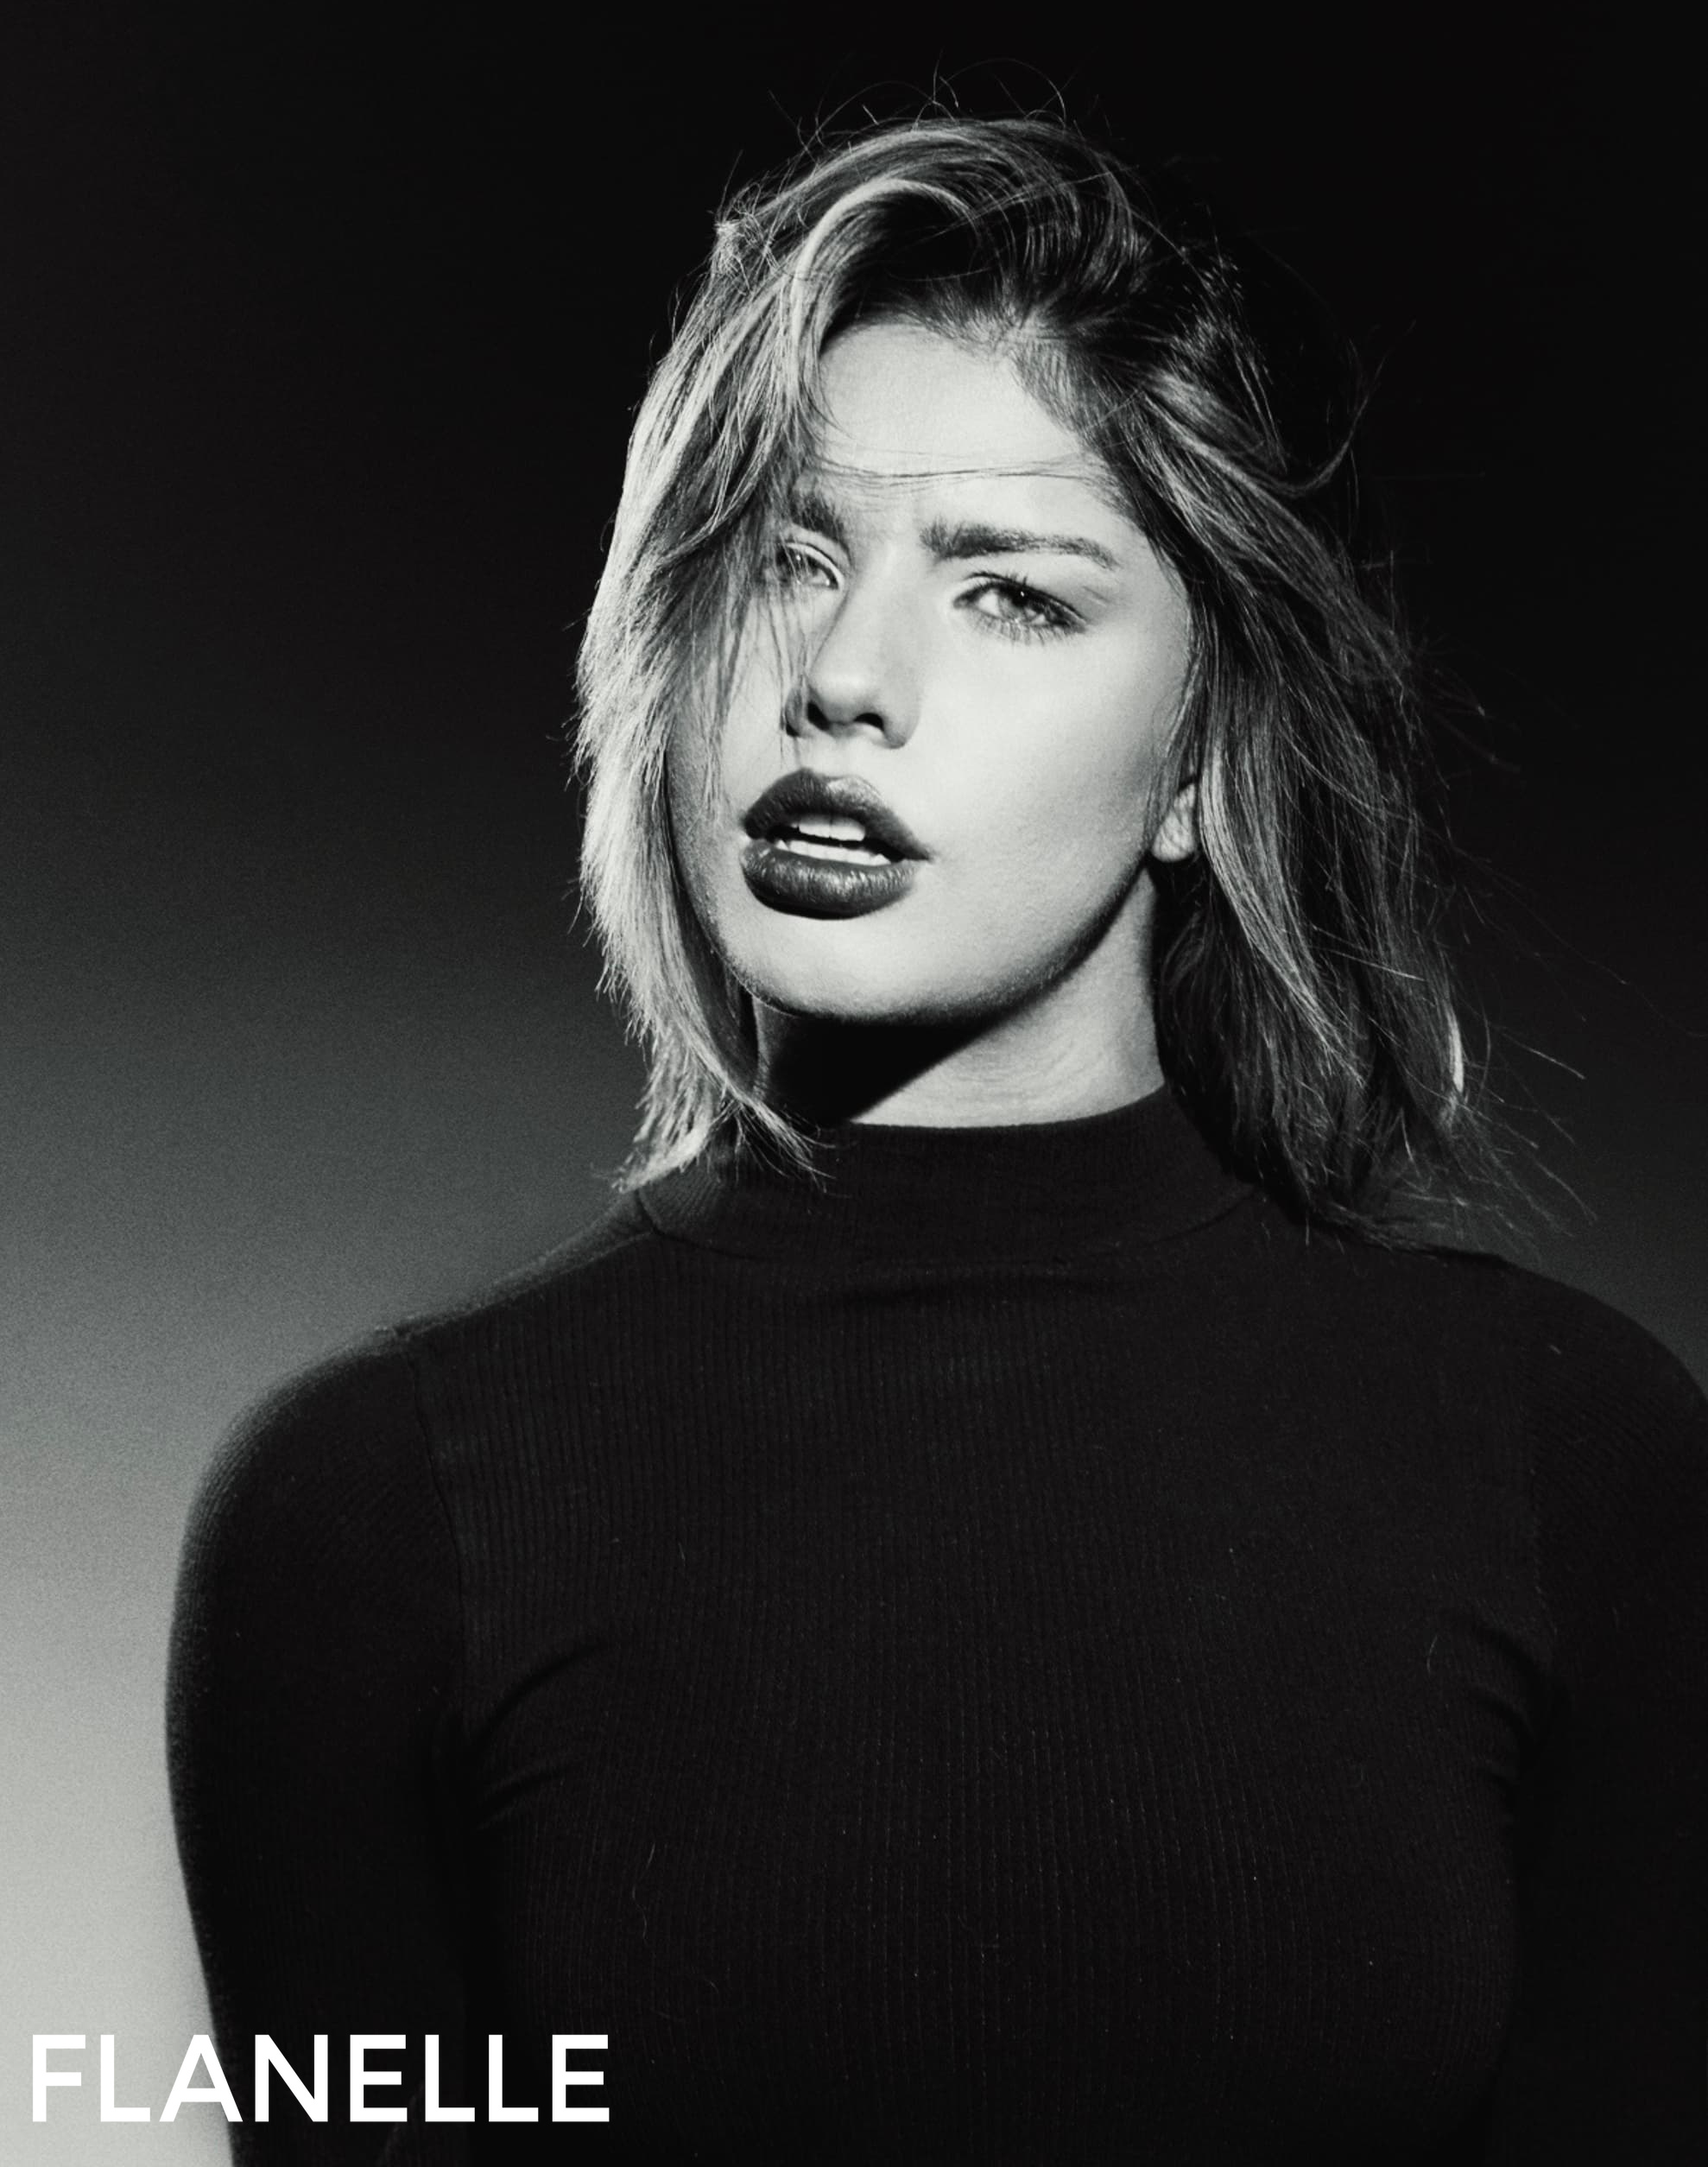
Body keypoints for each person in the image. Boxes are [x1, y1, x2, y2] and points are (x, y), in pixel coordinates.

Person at [168, 115, 1708, 2162]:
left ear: (1199, 762)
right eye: (785, 559)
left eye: (1011, 595)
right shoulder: (363, 1515)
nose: (840, 679)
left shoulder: (1568, 1458)